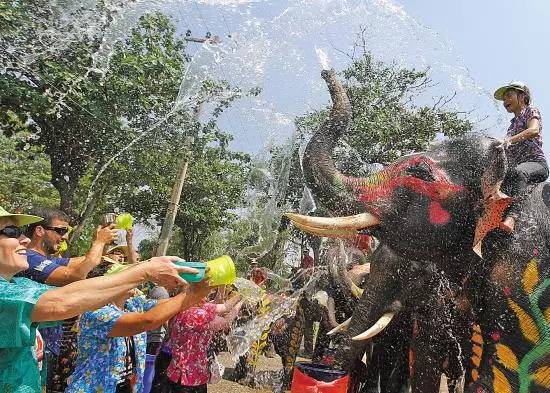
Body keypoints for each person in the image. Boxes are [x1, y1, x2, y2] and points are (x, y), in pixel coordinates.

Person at [0, 205, 199, 393]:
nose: (24, 240)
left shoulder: (19, 286)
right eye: (11, 232)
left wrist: (194, 291)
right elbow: (63, 300)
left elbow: (78, 288)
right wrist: (144, 271)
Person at [66, 263, 211, 393]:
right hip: (93, 388)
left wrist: (196, 291)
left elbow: (169, 305)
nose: (131, 279)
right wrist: (191, 292)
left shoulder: (132, 305)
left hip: (125, 386)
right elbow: (147, 321)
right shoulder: (97, 312)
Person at [493, 81, 549, 232]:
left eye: (509, 96)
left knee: (519, 172)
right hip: (516, 167)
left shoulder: (531, 111)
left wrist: (507, 141)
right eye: (504, 99)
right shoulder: (511, 126)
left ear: (522, 97)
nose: (505, 101)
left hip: (536, 163)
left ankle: (513, 217)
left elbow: (533, 130)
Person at [167, 293, 243, 392]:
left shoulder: (184, 307)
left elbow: (225, 307)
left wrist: (242, 294)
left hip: (177, 371)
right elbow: (225, 323)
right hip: (190, 376)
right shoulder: (196, 315)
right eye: (205, 290)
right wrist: (241, 302)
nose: (208, 294)